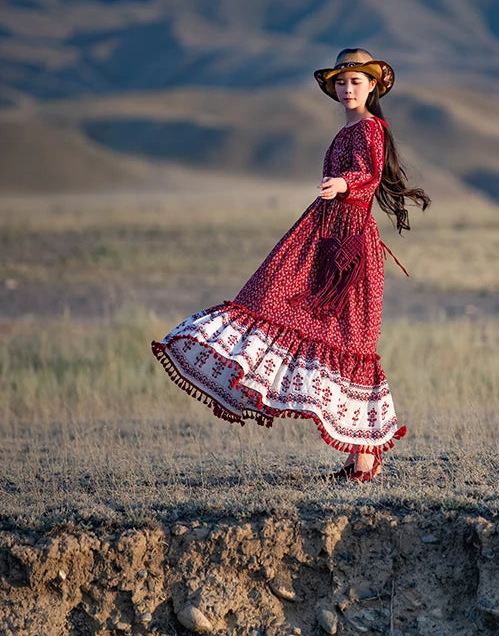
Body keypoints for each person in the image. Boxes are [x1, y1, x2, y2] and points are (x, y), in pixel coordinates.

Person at [151, 48, 430, 481]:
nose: (347, 88)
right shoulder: (345, 132)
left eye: (356, 81)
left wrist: (346, 183)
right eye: (341, 82)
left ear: (373, 86)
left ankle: (365, 458)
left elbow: (370, 175)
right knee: (271, 299)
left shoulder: (372, 128)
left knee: (352, 341)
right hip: (324, 234)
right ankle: (361, 455)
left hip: (349, 247)